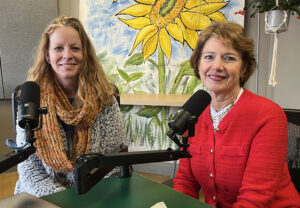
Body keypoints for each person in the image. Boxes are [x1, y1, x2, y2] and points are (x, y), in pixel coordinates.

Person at [173, 22, 300, 207]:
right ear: (198, 64)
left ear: (244, 67)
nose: (216, 66)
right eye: (209, 57)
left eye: (229, 58)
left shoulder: (268, 115)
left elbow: (255, 199)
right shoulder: (194, 114)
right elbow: (185, 181)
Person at [14, 16, 125, 197]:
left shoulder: (106, 99)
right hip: (42, 196)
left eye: (75, 48)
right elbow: (29, 171)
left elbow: (112, 163)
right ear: (47, 55)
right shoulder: (32, 101)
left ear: (85, 54)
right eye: (58, 48)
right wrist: (64, 200)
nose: (67, 55)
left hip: (94, 193)